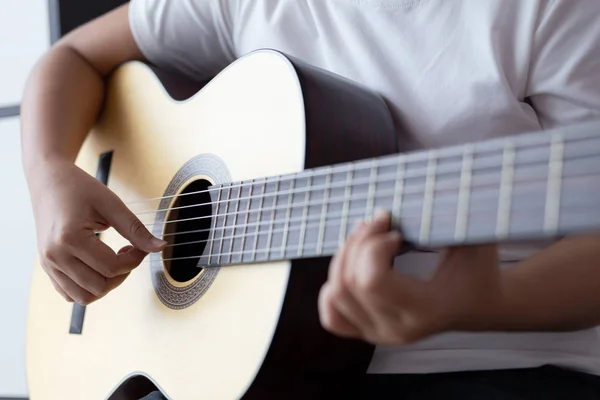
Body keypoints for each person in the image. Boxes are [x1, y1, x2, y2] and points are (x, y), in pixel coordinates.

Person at [21, 0, 600, 398]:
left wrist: (483, 302)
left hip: (500, 362)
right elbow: (71, 58)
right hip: (251, 370)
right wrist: (49, 173)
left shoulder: (552, 13)